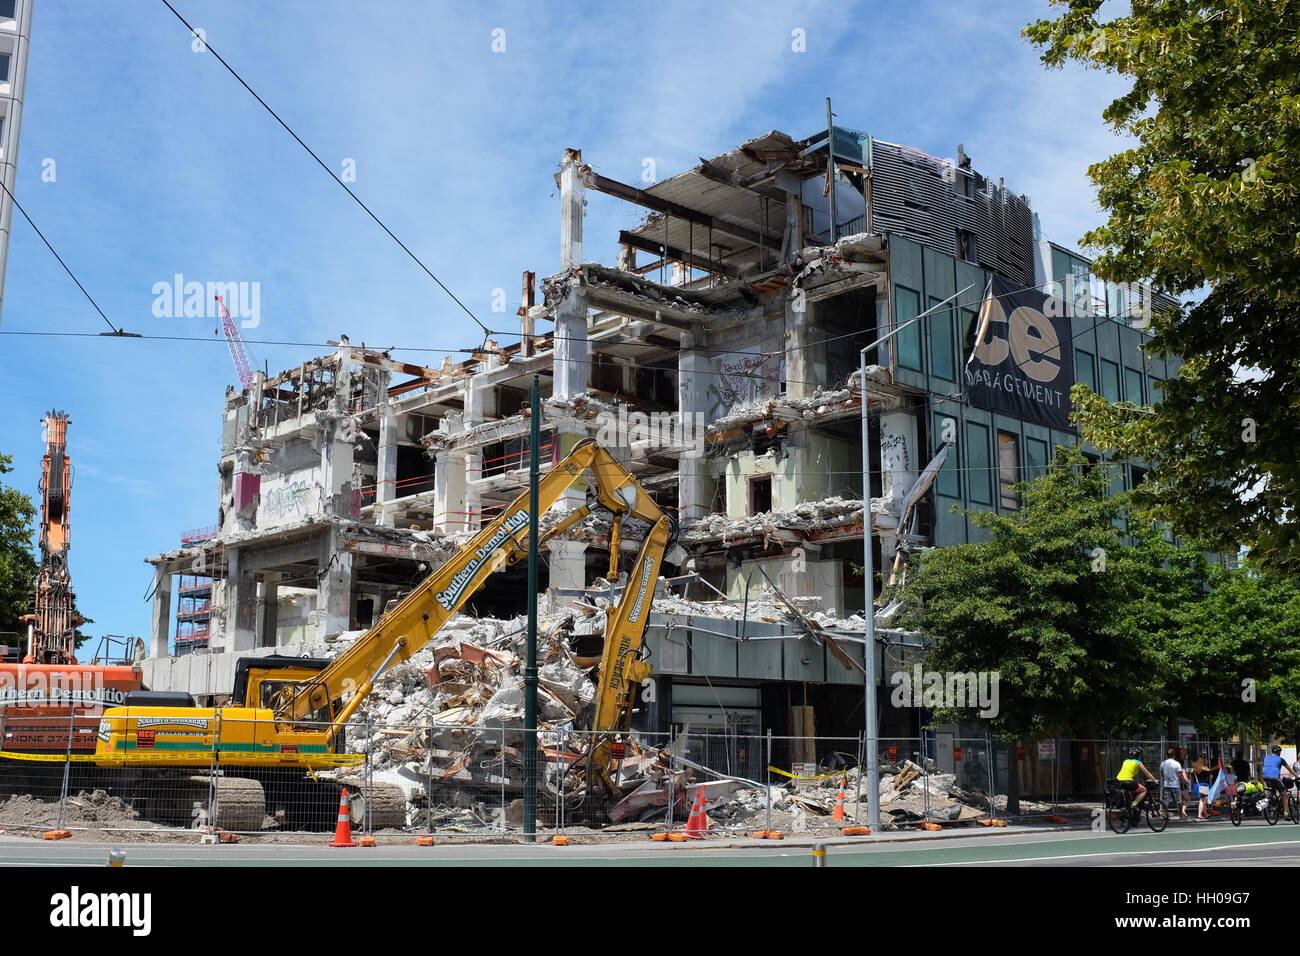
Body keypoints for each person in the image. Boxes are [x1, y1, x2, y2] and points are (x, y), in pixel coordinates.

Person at [1263, 745, 1296, 816]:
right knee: (1285, 795)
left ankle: (1272, 803)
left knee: (1274, 790)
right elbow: (1289, 769)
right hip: (1275, 777)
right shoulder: (1280, 759)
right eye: (1280, 752)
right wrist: (1297, 776)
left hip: (1265, 777)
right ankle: (1286, 813)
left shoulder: (1266, 758)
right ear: (1278, 752)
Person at [1159, 748, 1190, 820]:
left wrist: (1165, 779)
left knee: (1166, 800)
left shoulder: (1163, 763)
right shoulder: (1177, 763)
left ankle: (1164, 814)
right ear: (1174, 755)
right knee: (1179, 801)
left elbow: (1162, 774)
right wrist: (1182, 783)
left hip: (1166, 784)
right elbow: (1179, 775)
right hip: (1175, 784)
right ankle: (1181, 816)